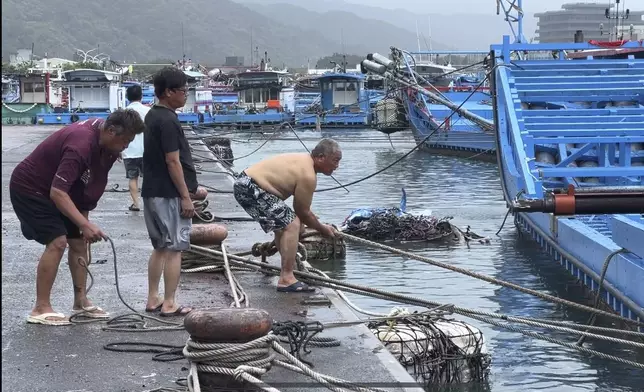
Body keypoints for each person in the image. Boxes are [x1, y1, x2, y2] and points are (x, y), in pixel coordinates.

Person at [9, 110, 146, 326]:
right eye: (126, 140)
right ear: (111, 131)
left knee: (79, 242)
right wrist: (84, 223)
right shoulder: (80, 145)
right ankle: (40, 307)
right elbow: (57, 192)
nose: (127, 146)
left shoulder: (108, 147)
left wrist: (84, 225)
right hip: (31, 188)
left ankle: (80, 301)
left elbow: (91, 187)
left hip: (63, 190)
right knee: (57, 241)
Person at [233, 138, 341, 292]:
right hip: (250, 187)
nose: (337, 166)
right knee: (292, 224)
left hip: (246, 184)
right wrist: (323, 228)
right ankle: (286, 278)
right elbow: (303, 213)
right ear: (321, 157)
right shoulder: (308, 174)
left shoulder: (304, 162)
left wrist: (307, 220)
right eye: (335, 161)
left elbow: (301, 210)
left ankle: (289, 272)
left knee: (286, 226)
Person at [141, 67, 197, 317]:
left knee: (160, 247)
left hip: (152, 191)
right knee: (175, 249)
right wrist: (186, 196)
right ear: (168, 92)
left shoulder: (153, 116)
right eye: (183, 91)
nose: (186, 95)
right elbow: (173, 161)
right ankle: (170, 302)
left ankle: (153, 298)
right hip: (169, 194)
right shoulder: (169, 121)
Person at [120, 85, 150, 211]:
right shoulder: (148, 111)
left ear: (127, 97)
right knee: (149, 179)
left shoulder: (123, 113)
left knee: (133, 178)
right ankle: (150, 204)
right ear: (141, 96)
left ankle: (136, 204)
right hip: (146, 151)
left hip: (129, 151)